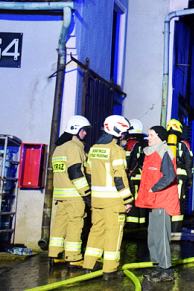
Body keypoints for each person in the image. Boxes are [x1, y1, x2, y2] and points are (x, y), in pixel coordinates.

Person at [83, 115, 134, 280]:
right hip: (113, 202)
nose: (124, 136)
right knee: (114, 233)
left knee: (96, 231)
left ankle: (89, 265)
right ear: (117, 131)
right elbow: (120, 178)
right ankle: (110, 270)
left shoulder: (93, 149)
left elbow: (89, 175)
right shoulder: (117, 150)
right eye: (123, 133)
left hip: (97, 200)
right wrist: (127, 200)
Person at [135, 126, 178, 282]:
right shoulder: (151, 153)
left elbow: (169, 176)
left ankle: (166, 270)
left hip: (162, 202)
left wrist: (153, 189)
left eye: (151, 135)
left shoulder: (164, 152)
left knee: (161, 236)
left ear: (160, 137)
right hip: (154, 202)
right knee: (152, 236)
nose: (148, 138)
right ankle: (158, 266)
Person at [49, 115, 92, 270]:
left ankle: (55, 254)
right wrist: (86, 194)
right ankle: (73, 258)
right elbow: (75, 172)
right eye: (83, 130)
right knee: (75, 224)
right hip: (74, 196)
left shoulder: (59, 148)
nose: (85, 133)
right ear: (76, 130)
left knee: (59, 225)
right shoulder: (74, 147)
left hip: (61, 196)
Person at [166, 118, 191, 233]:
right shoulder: (184, 144)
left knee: (166, 201)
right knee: (178, 201)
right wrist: (190, 179)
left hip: (165, 178)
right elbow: (188, 163)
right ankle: (175, 230)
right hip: (180, 177)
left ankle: (165, 230)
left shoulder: (163, 143)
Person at [124, 119, 148, 229]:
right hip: (142, 177)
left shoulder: (130, 144)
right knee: (140, 200)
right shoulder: (143, 144)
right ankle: (141, 224)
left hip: (132, 178)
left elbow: (126, 161)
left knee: (131, 199)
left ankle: (132, 225)